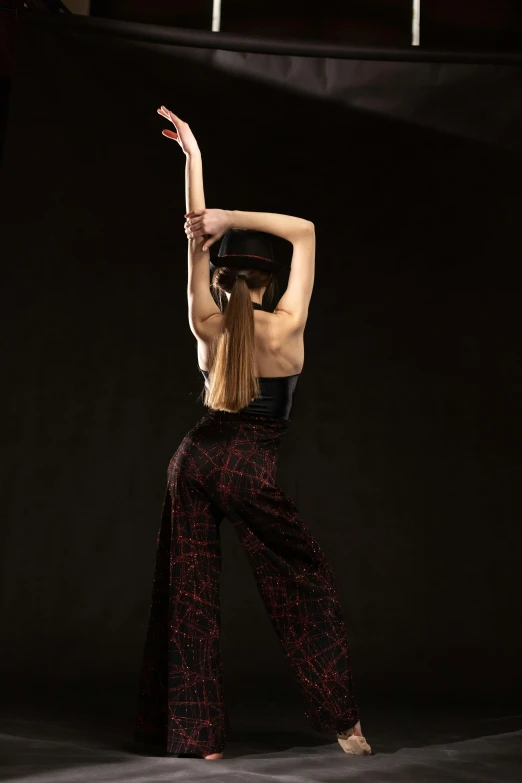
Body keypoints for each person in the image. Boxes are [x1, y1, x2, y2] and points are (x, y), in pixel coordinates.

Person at [133, 106, 372, 761]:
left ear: (219, 283)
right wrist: (230, 217)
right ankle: (346, 725)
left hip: (194, 460)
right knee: (305, 584)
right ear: (269, 287)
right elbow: (305, 230)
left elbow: (192, 238)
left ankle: (197, 738)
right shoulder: (288, 327)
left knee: (190, 596)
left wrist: (193, 161)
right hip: (248, 469)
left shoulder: (206, 325)